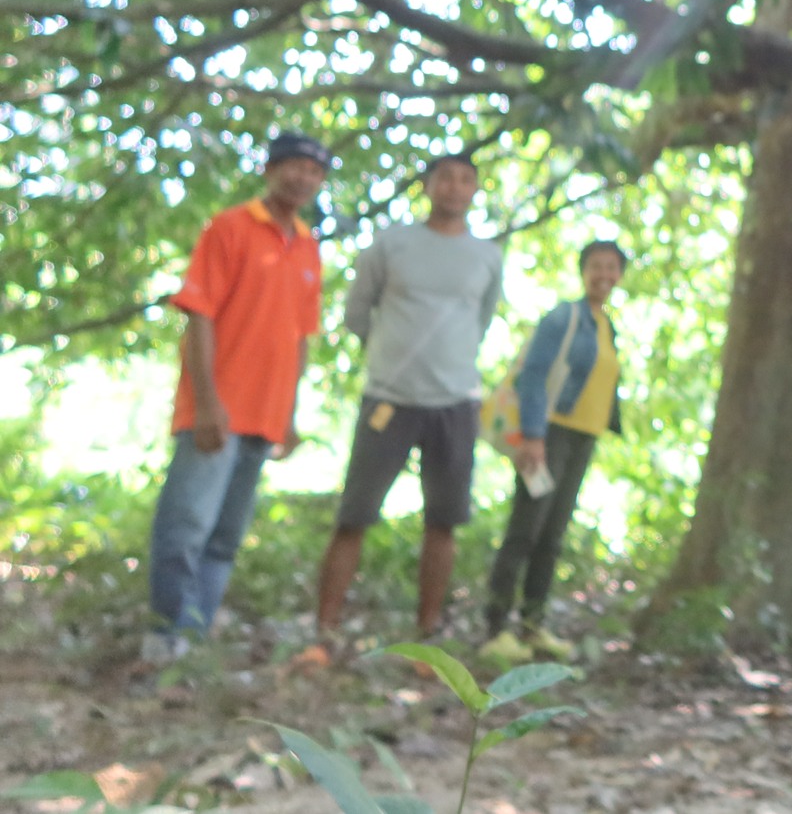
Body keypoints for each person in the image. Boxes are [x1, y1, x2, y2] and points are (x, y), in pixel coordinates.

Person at [299, 151, 504, 665]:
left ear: (475, 191)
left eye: (466, 180)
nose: (454, 187)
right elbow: (357, 311)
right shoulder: (391, 243)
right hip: (389, 399)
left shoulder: (487, 255)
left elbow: (480, 320)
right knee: (354, 515)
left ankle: (426, 637)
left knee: (444, 521)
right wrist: (390, 360)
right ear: (427, 185)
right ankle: (324, 633)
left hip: (456, 403)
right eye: (445, 178)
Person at [143, 133, 330, 663]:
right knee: (185, 528)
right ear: (270, 170)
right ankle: (163, 641)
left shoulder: (308, 246)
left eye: (314, 172)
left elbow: (300, 338)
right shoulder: (230, 227)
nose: (302, 178)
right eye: (294, 166)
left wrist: (289, 414)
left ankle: (194, 647)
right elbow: (199, 314)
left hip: (265, 416)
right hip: (216, 411)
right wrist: (206, 404)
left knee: (225, 538)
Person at [479, 239, 630, 667]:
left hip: (583, 438)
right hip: (549, 434)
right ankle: (496, 627)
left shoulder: (606, 325)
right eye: (597, 265)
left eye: (612, 267)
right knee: (525, 528)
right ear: (583, 270)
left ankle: (533, 624)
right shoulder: (564, 317)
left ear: (620, 275)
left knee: (553, 534)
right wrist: (533, 435)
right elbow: (533, 375)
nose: (604, 274)